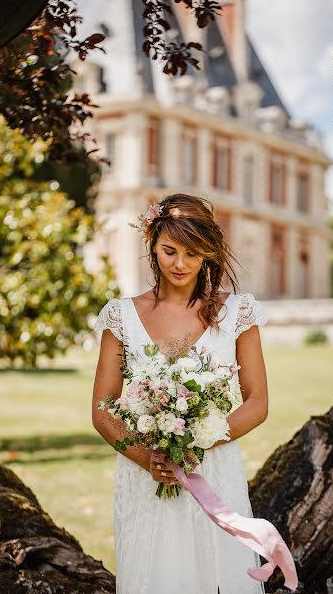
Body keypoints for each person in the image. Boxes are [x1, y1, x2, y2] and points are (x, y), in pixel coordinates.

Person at [92, 193, 269, 594]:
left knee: (221, 573)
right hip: (144, 477)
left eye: (192, 254)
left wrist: (199, 442)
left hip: (215, 471)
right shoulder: (121, 315)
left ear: (207, 254)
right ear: (152, 244)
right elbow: (102, 409)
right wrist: (148, 458)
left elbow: (257, 401)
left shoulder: (236, 313)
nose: (179, 264)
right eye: (169, 250)